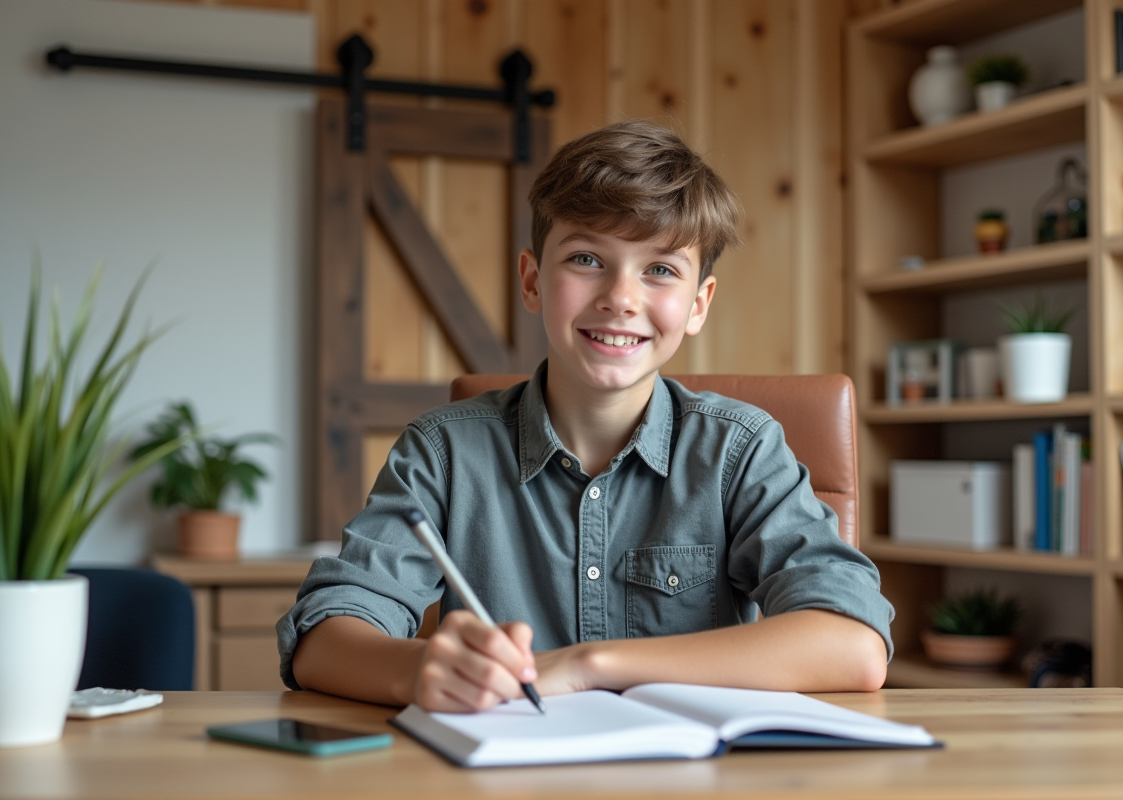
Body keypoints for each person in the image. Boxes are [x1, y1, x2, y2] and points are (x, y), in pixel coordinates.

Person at [279, 119, 893, 712]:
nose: (620, 298)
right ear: (532, 279)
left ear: (698, 304)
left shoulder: (742, 452)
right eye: (585, 259)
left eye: (660, 270)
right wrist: (421, 671)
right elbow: (322, 639)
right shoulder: (442, 453)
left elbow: (855, 645)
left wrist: (586, 666)